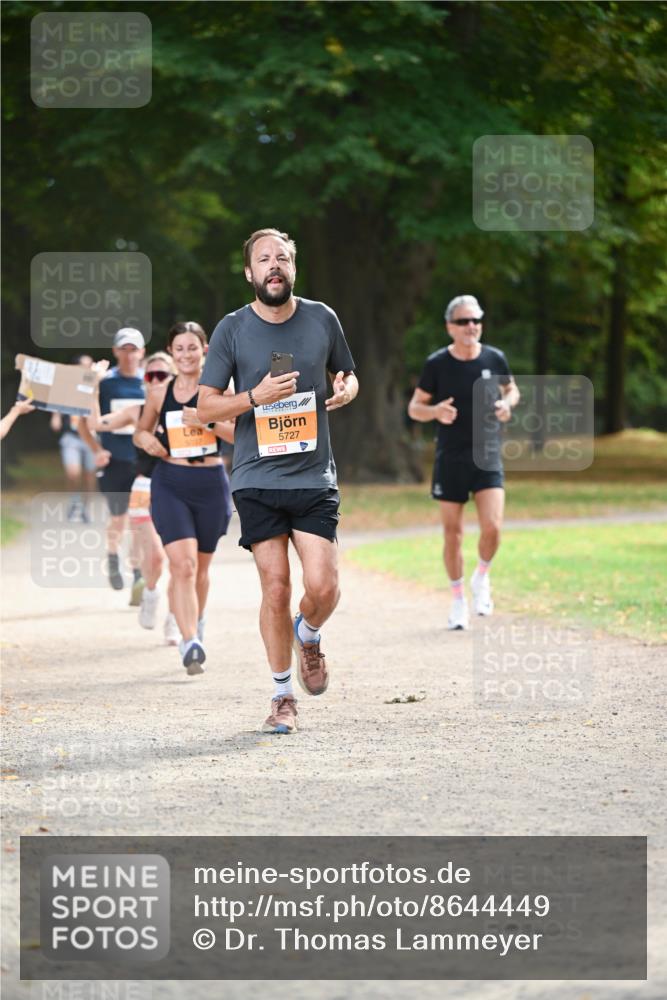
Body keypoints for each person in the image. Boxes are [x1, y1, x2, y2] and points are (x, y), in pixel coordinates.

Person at [197, 227, 358, 735]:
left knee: (324, 586)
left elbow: (348, 373)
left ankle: (307, 634)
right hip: (256, 475)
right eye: (264, 259)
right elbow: (205, 407)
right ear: (249, 272)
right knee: (276, 585)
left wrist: (347, 387)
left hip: (312, 472)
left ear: (293, 268)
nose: (274, 266)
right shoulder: (231, 329)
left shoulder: (322, 318)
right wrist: (254, 396)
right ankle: (282, 695)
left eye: (282, 259)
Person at [408, 294, 520, 629]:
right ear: (450, 327)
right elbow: (414, 408)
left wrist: (507, 404)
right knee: (453, 533)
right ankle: (458, 600)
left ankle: (481, 577)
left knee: (493, 527)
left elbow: (512, 390)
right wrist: (435, 412)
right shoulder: (437, 364)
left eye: (476, 320)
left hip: (487, 454)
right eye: (463, 321)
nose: (471, 326)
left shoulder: (494, 358)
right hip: (451, 457)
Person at [134, 321, 234, 674]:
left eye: (193, 347)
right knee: (183, 565)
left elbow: (241, 435)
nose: (186, 354)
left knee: (201, 571)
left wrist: (207, 420)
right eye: (179, 348)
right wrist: (146, 441)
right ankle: (190, 642)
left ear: (205, 350)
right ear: (171, 353)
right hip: (171, 481)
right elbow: (141, 431)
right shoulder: (160, 392)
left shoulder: (222, 389)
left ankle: (196, 620)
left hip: (210, 482)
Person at [79, 328, 146, 599]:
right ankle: (112, 556)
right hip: (114, 460)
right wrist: (96, 449)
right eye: (124, 349)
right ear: (116, 351)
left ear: (142, 352)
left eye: (134, 349)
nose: (129, 354)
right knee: (118, 519)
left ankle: (139, 572)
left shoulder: (150, 381)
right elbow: (85, 422)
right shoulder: (105, 383)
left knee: (140, 520)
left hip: (142, 462)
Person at [50, 354, 97, 522]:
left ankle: (86, 508)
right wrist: (55, 417)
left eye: (89, 365)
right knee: (73, 473)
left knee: (90, 477)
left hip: (91, 438)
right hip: (72, 437)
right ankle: (74, 500)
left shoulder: (97, 385)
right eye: (83, 365)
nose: (86, 369)